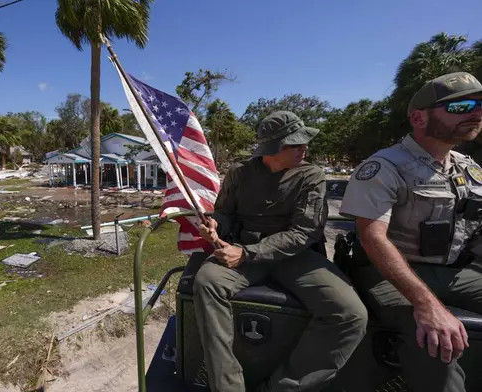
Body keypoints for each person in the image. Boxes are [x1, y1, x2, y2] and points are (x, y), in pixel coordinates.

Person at [193, 111, 368, 392]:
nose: (304, 148)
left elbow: (304, 232)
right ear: (272, 148)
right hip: (243, 251)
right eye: (294, 144)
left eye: (303, 142)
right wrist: (215, 224)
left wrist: (247, 253)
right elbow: (226, 213)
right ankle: (227, 386)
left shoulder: (311, 175)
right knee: (206, 282)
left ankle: (282, 386)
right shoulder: (240, 173)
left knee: (350, 314)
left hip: (294, 256)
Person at [340, 71, 482, 392]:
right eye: (461, 106)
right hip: (390, 273)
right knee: (436, 343)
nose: (476, 113)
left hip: (455, 272)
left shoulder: (467, 168)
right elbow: (372, 238)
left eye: (480, 105)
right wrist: (427, 305)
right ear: (418, 117)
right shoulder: (385, 167)